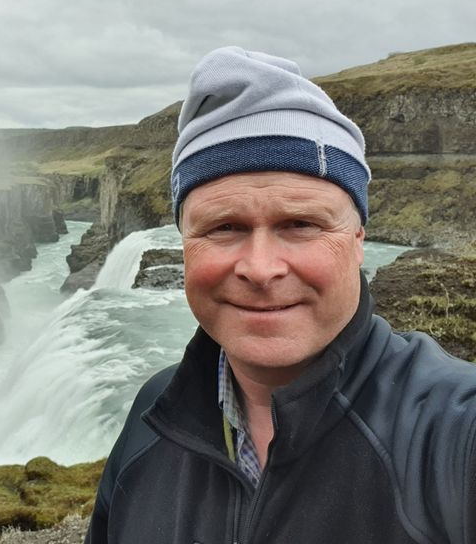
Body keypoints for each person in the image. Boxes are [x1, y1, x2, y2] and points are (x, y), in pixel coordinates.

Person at [84, 47, 476, 544]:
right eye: (224, 227)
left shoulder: (453, 436)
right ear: (183, 244)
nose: (261, 269)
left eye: (301, 224)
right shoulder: (152, 415)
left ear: (359, 240)